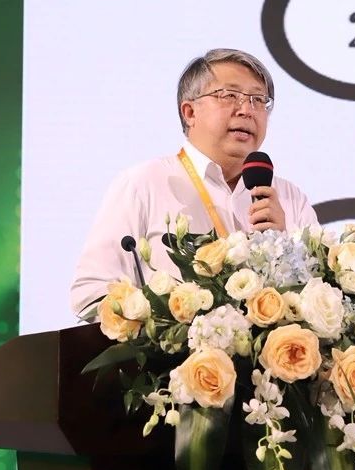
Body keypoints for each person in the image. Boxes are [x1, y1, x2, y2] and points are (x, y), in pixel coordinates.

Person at [70, 48, 319, 316]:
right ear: (189, 112)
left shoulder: (290, 198)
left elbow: (322, 296)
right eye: (230, 95)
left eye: (258, 99)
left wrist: (285, 243)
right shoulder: (143, 184)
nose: (247, 110)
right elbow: (90, 294)